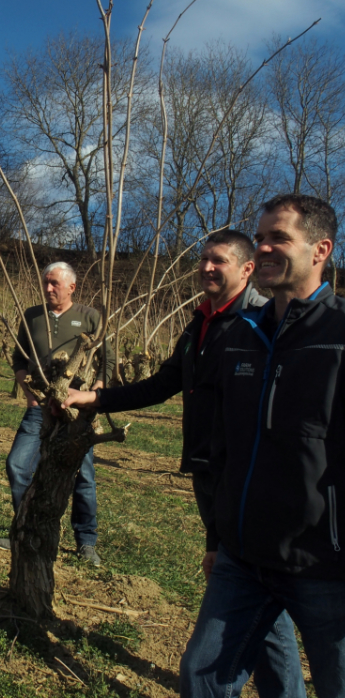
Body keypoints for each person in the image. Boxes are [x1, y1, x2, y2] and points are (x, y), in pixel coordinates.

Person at [62, 230, 305, 697]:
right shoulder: (200, 324)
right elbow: (163, 383)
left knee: (249, 587)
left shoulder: (259, 325)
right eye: (203, 260)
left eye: (219, 261)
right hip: (207, 472)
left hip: (243, 477)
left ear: (247, 268)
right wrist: (93, 397)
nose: (207, 268)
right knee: (261, 599)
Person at [172, 194, 345, 697]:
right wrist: (218, 533)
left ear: (321, 250)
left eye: (279, 238)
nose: (264, 246)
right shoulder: (244, 334)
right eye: (262, 235)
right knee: (201, 679)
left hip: (324, 563)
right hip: (243, 556)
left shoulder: (339, 335)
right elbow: (225, 441)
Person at [0, 262, 113, 566]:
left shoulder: (90, 317)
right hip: (41, 409)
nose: (48, 289)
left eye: (54, 284)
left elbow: (108, 362)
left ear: (72, 287)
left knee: (83, 476)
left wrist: (93, 396)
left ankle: (86, 542)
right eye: (45, 283)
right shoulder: (32, 316)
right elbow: (19, 359)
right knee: (17, 465)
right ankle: (28, 530)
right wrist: (30, 394)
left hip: (77, 413)